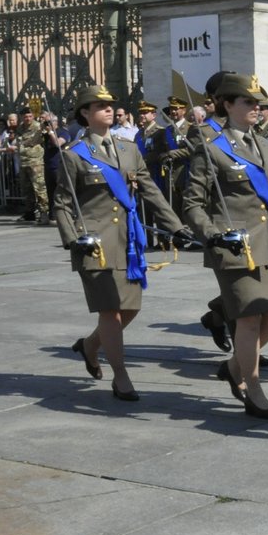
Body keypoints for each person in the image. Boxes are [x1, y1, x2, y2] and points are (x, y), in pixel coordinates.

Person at [55, 84, 190, 401]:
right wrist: (73, 239)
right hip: (94, 243)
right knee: (111, 312)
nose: (108, 109)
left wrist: (176, 227)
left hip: (127, 243)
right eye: (98, 105)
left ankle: (90, 345)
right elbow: (61, 203)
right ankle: (121, 377)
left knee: (130, 307)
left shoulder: (129, 150)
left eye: (110, 104)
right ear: (85, 114)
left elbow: (151, 192)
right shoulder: (74, 155)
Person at [181, 72, 268, 420]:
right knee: (248, 320)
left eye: (259, 104)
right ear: (227, 105)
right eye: (248, 102)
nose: (256, 109)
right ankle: (253, 389)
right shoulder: (210, 147)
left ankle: (233, 367)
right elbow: (192, 203)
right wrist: (213, 233)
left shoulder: (261, 143)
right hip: (235, 246)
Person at [14, 104, 51, 226]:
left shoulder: (38, 126)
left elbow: (45, 132)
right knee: (26, 189)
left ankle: (44, 212)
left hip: (36, 162)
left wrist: (46, 122)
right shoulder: (20, 129)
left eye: (30, 116)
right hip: (24, 162)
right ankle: (29, 212)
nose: (28, 119)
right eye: (25, 117)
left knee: (39, 188)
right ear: (21, 117)